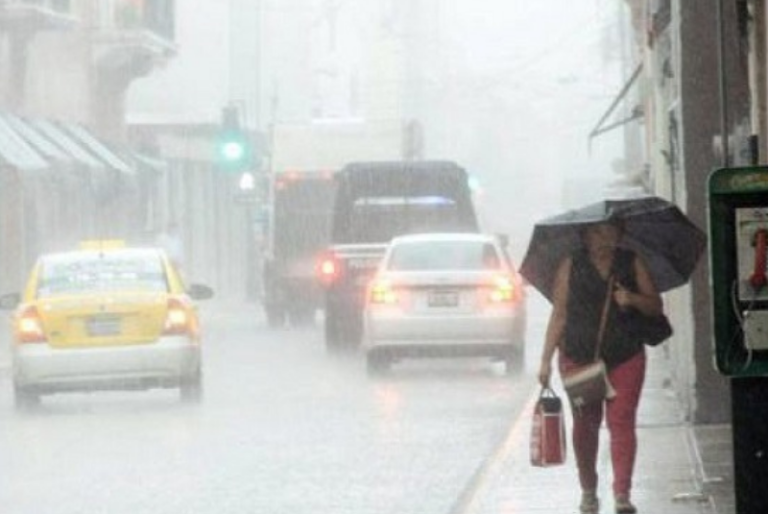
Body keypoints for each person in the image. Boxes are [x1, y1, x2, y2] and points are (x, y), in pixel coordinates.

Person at [537, 220, 663, 514]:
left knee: (621, 421)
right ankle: (589, 490)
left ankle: (622, 494)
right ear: (583, 235)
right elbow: (559, 315)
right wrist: (545, 360)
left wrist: (631, 298)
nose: (603, 238)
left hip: (626, 355)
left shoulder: (630, 262)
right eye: (595, 232)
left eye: (609, 231)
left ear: (620, 234)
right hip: (580, 357)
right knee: (585, 425)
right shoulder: (571, 265)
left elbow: (655, 306)